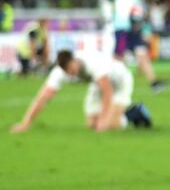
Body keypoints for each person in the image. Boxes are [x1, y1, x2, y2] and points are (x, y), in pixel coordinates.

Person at [10, 49, 152, 133]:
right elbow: (43, 97)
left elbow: (107, 91)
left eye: (71, 69)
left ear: (75, 60)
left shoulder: (93, 63)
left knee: (109, 125)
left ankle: (136, 111)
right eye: (67, 71)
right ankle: (115, 116)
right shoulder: (60, 73)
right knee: (91, 125)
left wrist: (104, 120)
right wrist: (25, 124)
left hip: (121, 81)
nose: (71, 73)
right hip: (97, 84)